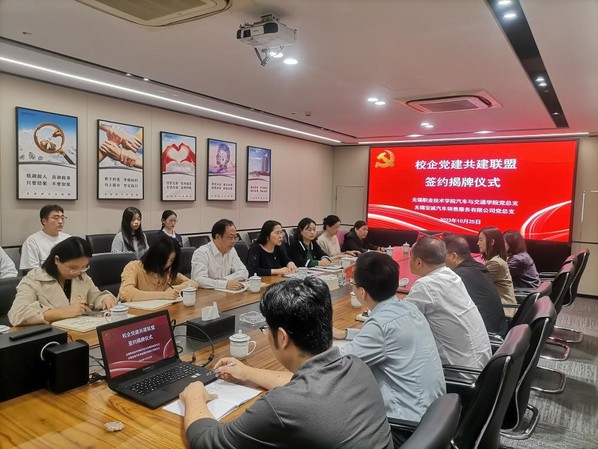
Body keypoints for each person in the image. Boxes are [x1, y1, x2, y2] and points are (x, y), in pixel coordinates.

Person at [180, 277, 394, 449]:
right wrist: (247, 372)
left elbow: (206, 441)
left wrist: (194, 396)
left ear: (282, 337)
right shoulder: (355, 365)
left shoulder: (281, 406)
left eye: (267, 329)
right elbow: (305, 384)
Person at [333, 252, 445, 436]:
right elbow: (386, 337)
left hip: (405, 429)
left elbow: (337, 365)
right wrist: (346, 333)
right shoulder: (409, 308)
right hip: (434, 419)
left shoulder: (380, 326)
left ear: (362, 292)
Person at [405, 235, 491, 369]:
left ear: (419, 263)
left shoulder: (425, 285)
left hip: (459, 372)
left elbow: (401, 322)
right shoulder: (452, 276)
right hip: (483, 365)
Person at [8, 237, 116, 326]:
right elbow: (18, 314)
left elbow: (95, 295)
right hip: (50, 336)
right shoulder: (34, 279)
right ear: (57, 260)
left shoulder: (81, 276)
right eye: (73, 267)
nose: (78, 272)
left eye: (84, 266)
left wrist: (105, 299)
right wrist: (65, 312)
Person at [444, 234, 508, 337]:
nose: (440, 260)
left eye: (442, 256)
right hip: (500, 330)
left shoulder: (457, 277)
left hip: (486, 337)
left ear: (453, 256)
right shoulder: (478, 267)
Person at [118, 236, 198, 301]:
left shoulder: (168, 272)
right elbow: (126, 293)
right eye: (164, 259)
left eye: (171, 260)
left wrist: (174, 289)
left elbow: (193, 283)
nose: (167, 264)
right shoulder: (133, 267)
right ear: (154, 256)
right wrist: (163, 295)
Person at [191, 219, 248, 290]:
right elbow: (199, 280)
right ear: (218, 237)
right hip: (207, 294)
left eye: (235, 237)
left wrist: (225, 279)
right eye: (230, 237)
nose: (233, 241)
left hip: (227, 293)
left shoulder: (231, 250)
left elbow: (244, 272)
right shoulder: (202, 253)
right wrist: (224, 284)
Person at [478, 227, 517, 317]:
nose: (478, 243)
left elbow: (478, 283)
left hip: (503, 310)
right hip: (498, 306)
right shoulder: (496, 259)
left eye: (481, 240)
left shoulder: (495, 263)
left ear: (492, 242)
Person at [20, 204, 71, 271]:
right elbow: (32, 270)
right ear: (44, 221)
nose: (60, 222)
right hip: (44, 277)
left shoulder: (68, 239)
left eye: (62, 218)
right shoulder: (32, 241)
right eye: (56, 218)